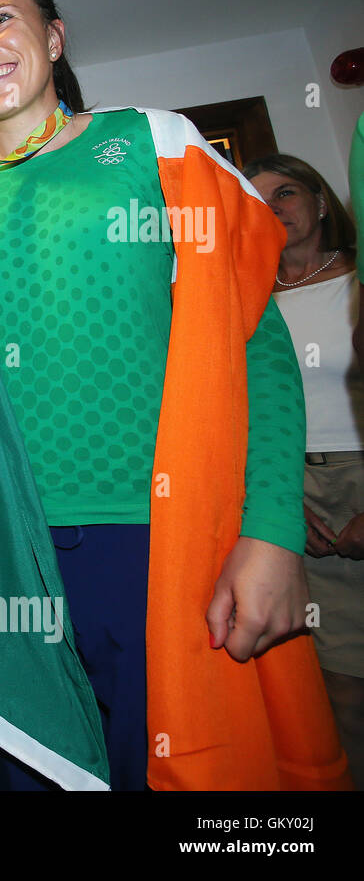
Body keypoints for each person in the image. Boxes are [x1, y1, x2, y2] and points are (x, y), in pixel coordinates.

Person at [0, 0, 349, 790]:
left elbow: (253, 338)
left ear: (54, 39)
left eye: (0, 21)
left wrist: (272, 529)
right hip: (2, 552)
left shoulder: (149, 142)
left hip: (156, 540)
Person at [246, 154, 363, 789]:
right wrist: (275, 502)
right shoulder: (245, 298)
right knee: (333, 685)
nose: (275, 209)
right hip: (288, 484)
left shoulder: (358, 285)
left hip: (359, 473)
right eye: (259, 200)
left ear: (321, 203)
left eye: (287, 192)